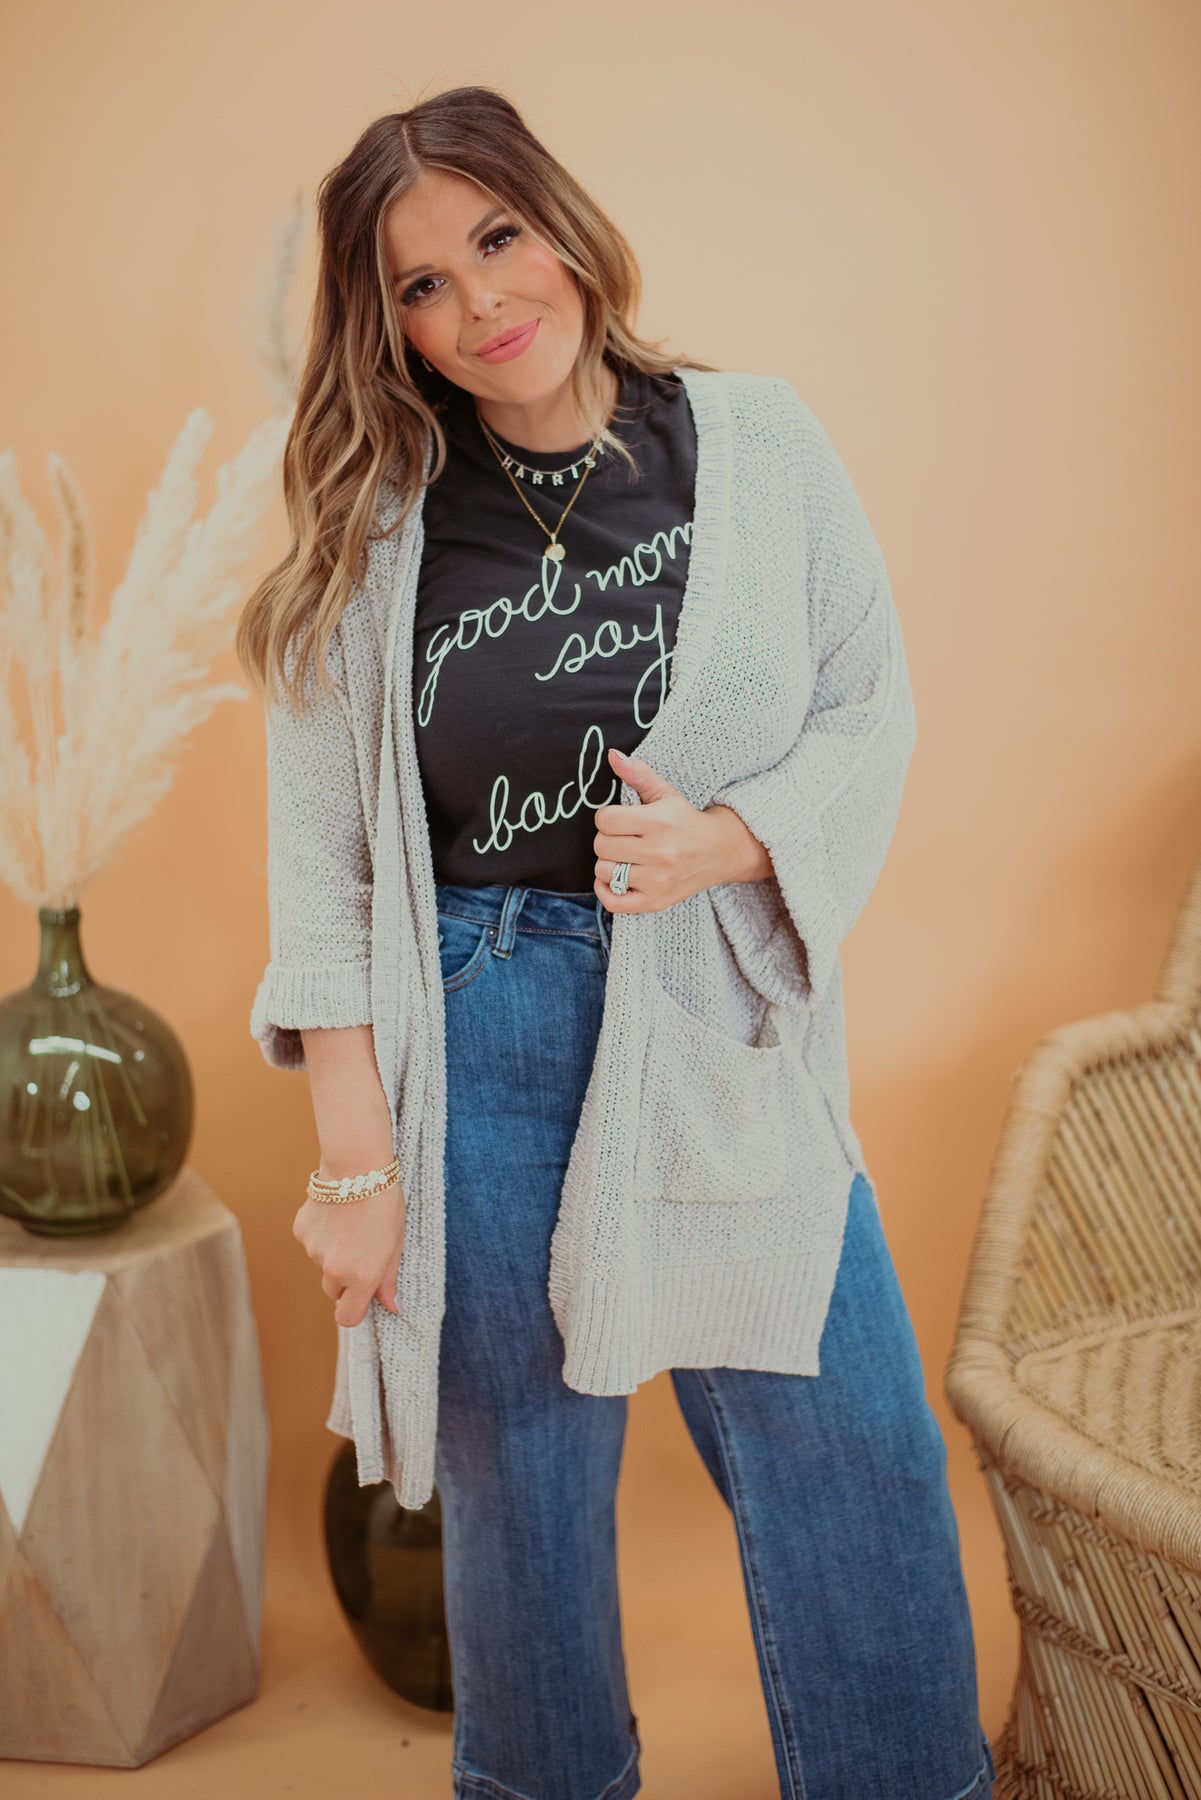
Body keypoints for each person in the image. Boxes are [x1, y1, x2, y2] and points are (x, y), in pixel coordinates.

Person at [237, 83, 994, 1800]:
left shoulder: (755, 441)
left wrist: (731, 840)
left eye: (495, 238)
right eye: (420, 285)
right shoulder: (374, 519)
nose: (480, 302)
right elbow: (325, 865)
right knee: (521, 1484)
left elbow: (865, 707)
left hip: (709, 1005)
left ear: (560, 222)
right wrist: (355, 1164)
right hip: (478, 1016)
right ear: (388, 326)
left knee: (851, 1444)